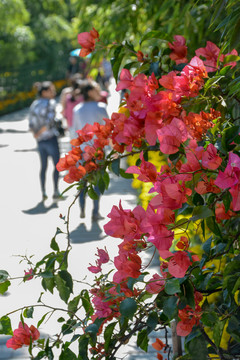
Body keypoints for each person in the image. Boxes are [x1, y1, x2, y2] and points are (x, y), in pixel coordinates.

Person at [72, 81, 109, 221]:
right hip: (98, 150)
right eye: (96, 89)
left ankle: (82, 209)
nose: (99, 91)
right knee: (97, 182)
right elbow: (108, 130)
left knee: (83, 182)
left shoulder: (77, 109)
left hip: (81, 151)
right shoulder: (101, 107)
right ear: (89, 92)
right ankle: (95, 212)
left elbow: (73, 131)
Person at [29, 81, 61, 201]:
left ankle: (43, 191)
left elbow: (31, 122)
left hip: (40, 140)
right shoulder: (51, 103)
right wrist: (40, 132)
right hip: (50, 138)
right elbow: (49, 122)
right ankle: (56, 190)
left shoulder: (34, 104)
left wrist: (36, 134)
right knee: (56, 165)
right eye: (51, 90)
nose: (54, 92)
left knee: (43, 166)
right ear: (44, 92)